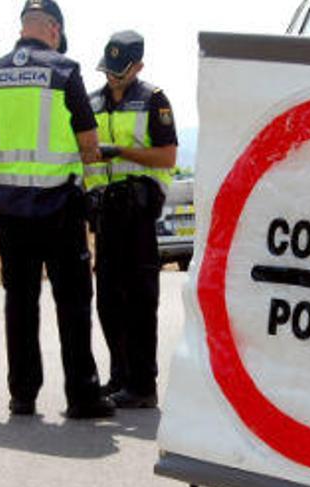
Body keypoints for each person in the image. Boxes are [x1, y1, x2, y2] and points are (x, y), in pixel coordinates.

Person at [0, 0, 114, 419]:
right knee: (72, 301)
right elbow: (89, 144)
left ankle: (22, 395)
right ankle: (82, 396)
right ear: (53, 28)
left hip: (8, 209)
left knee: (20, 300)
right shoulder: (63, 70)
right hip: (58, 205)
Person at [84, 31, 177, 409]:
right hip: (105, 213)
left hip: (137, 213)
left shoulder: (154, 100)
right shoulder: (91, 101)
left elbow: (168, 156)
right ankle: (118, 377)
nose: (112, 77)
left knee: (140, 301)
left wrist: (120, 151)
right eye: (108, 70)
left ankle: (142, 385)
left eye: (120, 72)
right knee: (108, 301)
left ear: (138, 67)